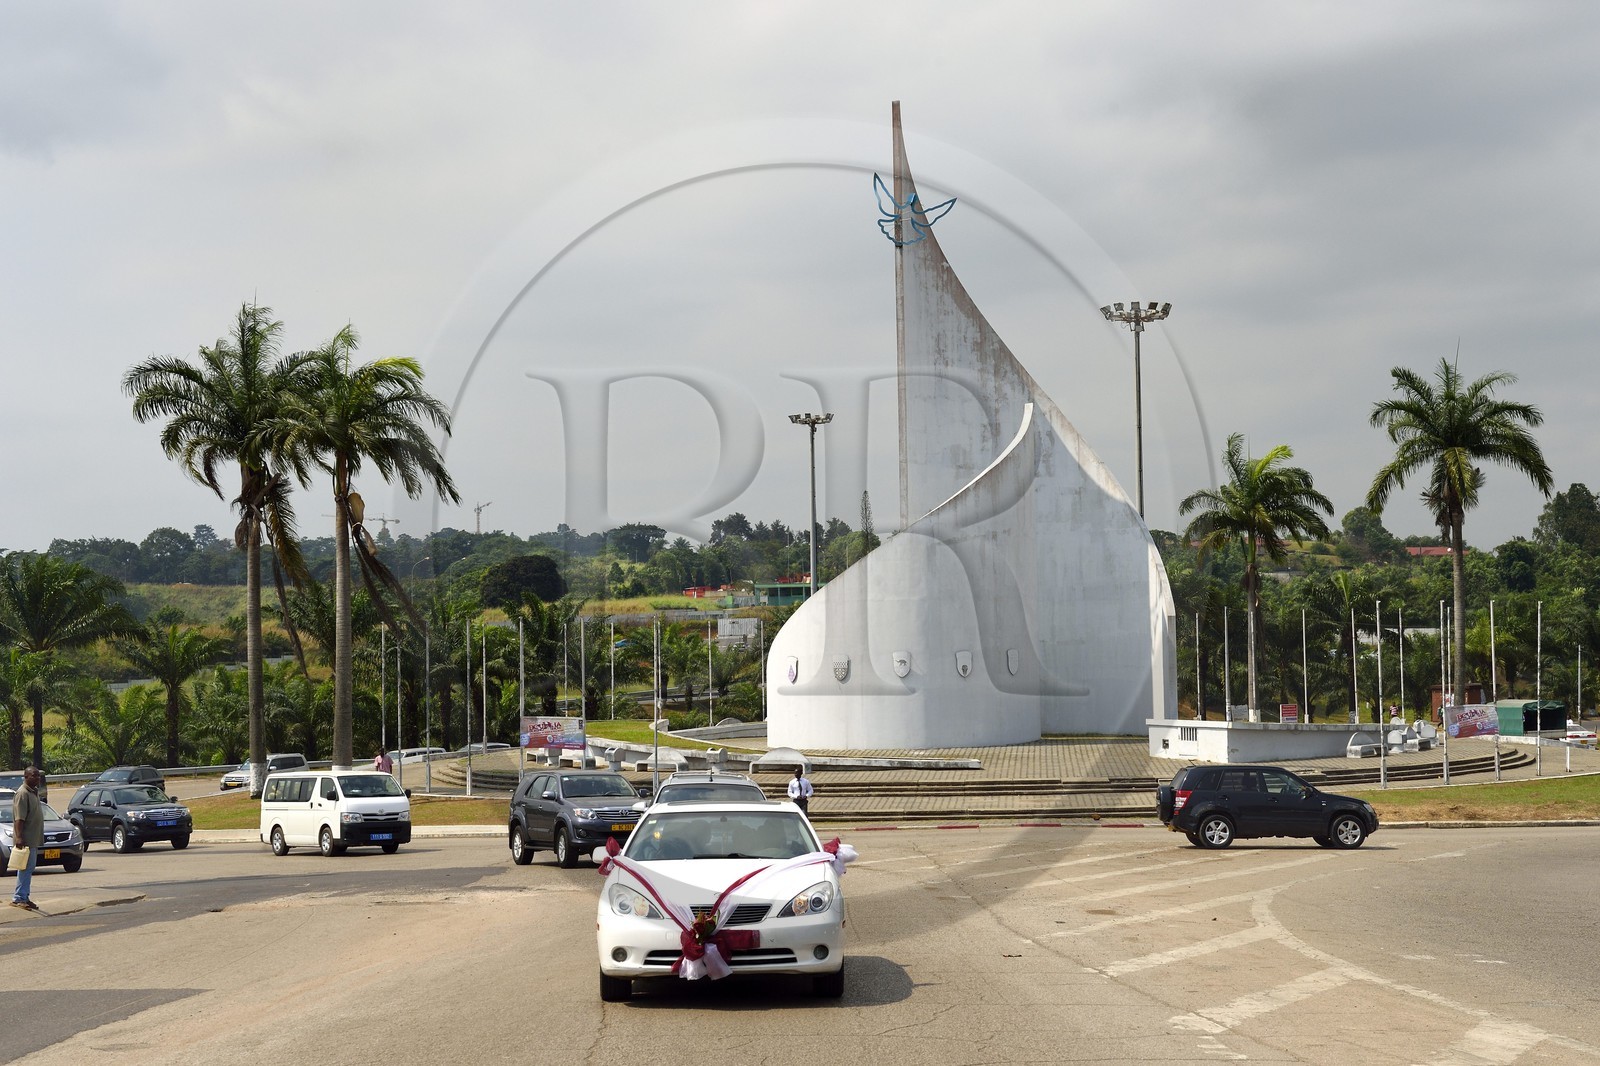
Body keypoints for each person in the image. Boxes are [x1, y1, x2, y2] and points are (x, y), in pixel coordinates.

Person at [10, 766, 45, 912]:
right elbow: (19, 818)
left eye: (38, 776)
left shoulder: (34, 792)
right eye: (34, 776)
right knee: (24, 869)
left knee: (29, 869)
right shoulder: (22, 793)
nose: (37, 778)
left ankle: (24, 896)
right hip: (25, 840)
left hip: (33, 839)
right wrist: (19, 837)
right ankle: (18, 898)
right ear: (26, 776)